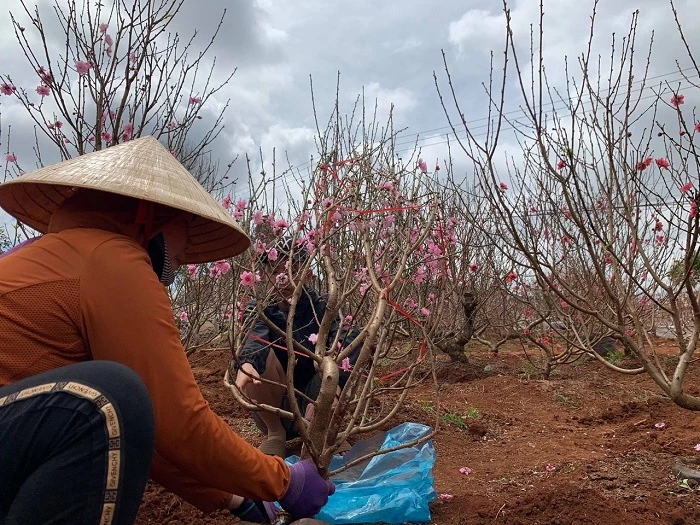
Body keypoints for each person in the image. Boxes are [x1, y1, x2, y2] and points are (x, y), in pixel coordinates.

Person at [0, 136, 334, 525]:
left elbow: (143, 428)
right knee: (111, 395)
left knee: (113, 399)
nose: (185, 252)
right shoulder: (111, 257)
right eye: (186, 232)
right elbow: (176, 420)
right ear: (150, 216)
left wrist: (233, 498)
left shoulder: (51, 254)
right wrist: (284, 480)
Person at [233, 237, 360, 458]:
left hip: (316, 401)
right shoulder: (259, 308)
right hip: (275, 406)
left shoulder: (323, 306)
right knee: (256, 354)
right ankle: (276, 435)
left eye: (291, 269)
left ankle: (323, 431)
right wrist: (249, 363)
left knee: (334, 358)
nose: (283, 278)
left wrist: (334, 388)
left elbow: (350, 338)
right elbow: (254, 336)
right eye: (275, 271)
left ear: (307, 273)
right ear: (265, 277)